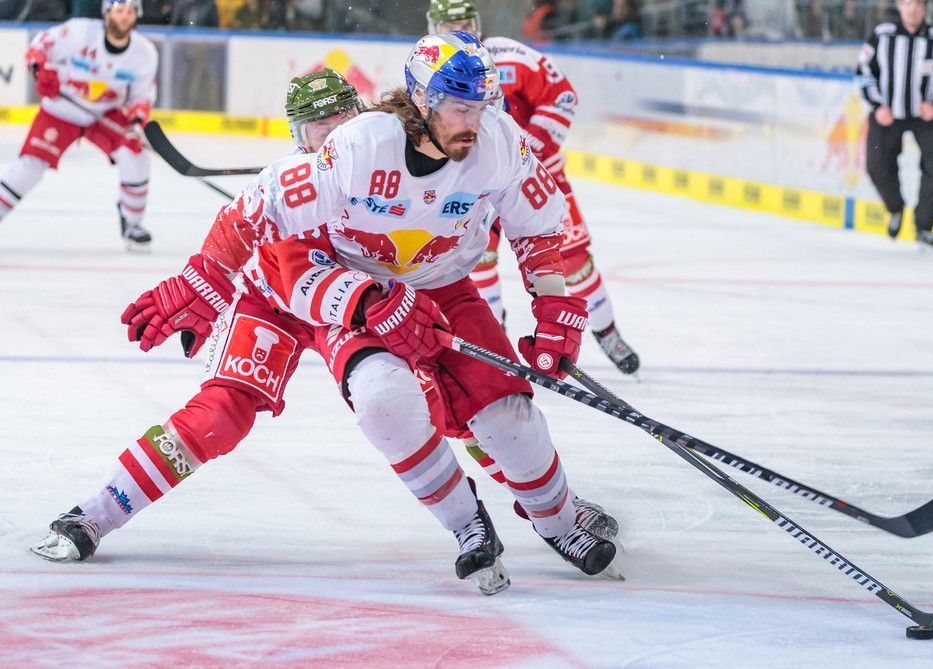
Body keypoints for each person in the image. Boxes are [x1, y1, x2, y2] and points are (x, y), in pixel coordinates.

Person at [33, 36, 619, 592]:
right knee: (224, 412)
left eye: (341, 120)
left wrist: (557, 305)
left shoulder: (397, 152)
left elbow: (536, 220)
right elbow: (289, 269)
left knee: (474, 401)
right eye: (317, 129)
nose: (330, 137)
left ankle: (550, 506)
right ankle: (97, 512)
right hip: (291, 300)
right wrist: (205, 281)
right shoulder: (331, 172)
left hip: (388, 287)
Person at [427, 0, 641, 376]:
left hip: (535, 176)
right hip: (476, 184)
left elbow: (562, 97)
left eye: (464, 23)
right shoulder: (427, 70)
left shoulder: (512, 57)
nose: (458, 32)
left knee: (571, 261)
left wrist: (527, 148)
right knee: (475, 260)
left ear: (477, 23)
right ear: (433, 28)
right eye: (448, 26)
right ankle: (493, 338)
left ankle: (606, 331)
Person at [0, 0, 157, 250]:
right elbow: (38, 48)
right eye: (119, 10)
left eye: (130, 11)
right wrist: (40, 71)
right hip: (61, 110)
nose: (124, 17)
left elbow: (141, 97)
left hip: (105, 114)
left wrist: (136, 124)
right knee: (30, 166)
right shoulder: (79, 31)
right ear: (106, 13)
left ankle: (133, 224)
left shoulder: (145, 53)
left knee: (135, 155)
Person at [857, 0, 933, 246]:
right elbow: (863, 72)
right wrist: (877, 105)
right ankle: (895, 207)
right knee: (876, 164)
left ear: (924, 8)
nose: (912, 9)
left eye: (917, 4)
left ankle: (924, 227)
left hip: (927, 115)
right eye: (906, 3)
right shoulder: (882, 35)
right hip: (887, 113)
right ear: (899, 6)